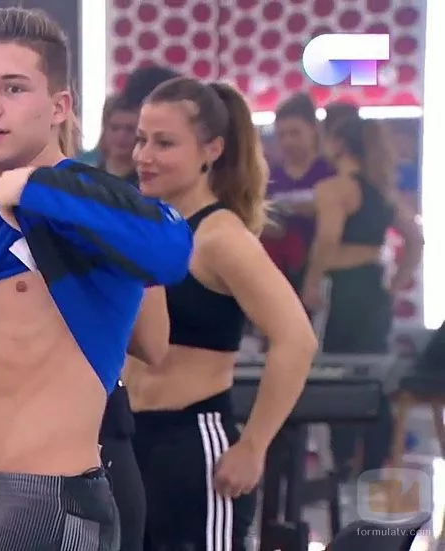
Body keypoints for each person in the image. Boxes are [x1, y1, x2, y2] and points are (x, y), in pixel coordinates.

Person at [0, 8, 193, 550]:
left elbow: (172, 251)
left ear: (59, 106)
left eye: (13, 88)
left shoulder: (87, 198)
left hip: (59, 496)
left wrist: (35, 189)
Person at [124, 76, 317, 550]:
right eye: (141, 140)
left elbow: (296, 339)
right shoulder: (149, 227)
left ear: (211, 149)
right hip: (130, 441)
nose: (144, 155)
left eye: (165, 143)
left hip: (194, 444)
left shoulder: (221, 238)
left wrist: (253, 445)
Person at [304, 114, 423, 477]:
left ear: (338, 144)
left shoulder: (334, 189)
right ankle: (373, 466)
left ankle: (341, 465)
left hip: (341, 288)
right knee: (373, 379)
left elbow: (328, 239)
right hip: (373, 287)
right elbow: (416, 239)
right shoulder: (381, 191)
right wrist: (396, 283)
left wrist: (311, 281)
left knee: (335, 377)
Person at [262, 93, 334, 288]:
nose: (287, 142)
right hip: (280, 276)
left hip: (326, 274)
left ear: (314, 130)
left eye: (295, 133)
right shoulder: (269, 178)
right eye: (281, 135)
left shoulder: (331, 173)